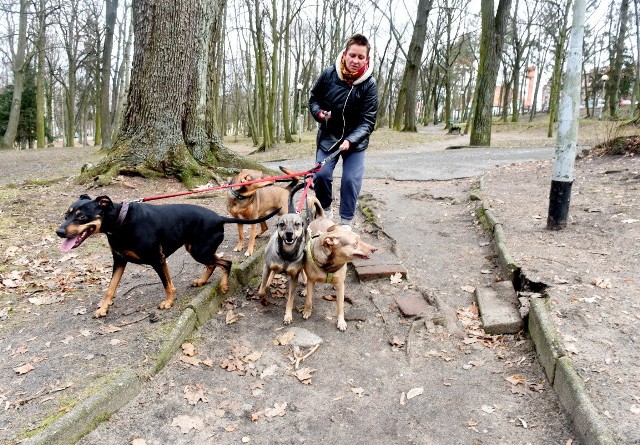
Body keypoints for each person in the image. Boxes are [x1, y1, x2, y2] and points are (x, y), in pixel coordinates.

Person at [309, 33, 378, 229]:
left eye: (361, 57)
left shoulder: (369, 85)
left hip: (355, 141)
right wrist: (319, 114)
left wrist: (351, 140)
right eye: (353, 55)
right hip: (329, 137)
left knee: (350, 179)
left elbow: (368, 121)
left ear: (367, 59)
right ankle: (325, 212)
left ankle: (346, 223)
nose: (356, 61)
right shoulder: (329, 74)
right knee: (321, 176)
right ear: (345, 54)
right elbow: (314, 99)